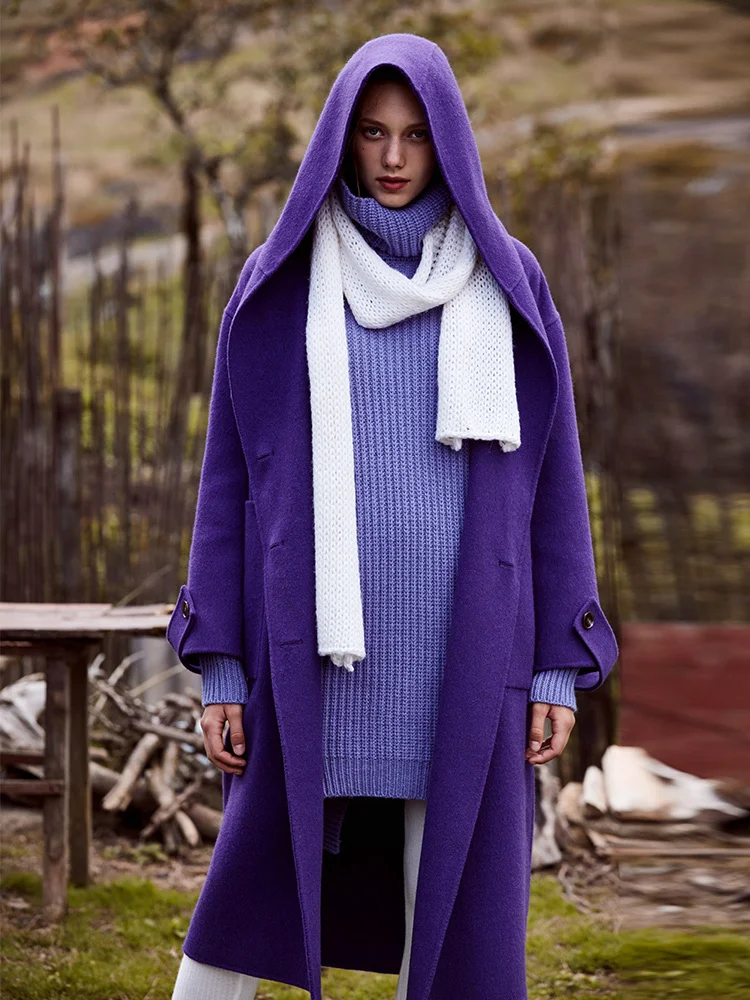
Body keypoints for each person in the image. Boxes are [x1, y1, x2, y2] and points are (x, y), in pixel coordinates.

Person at [167, 33, 619, 1000]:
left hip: (466, 659)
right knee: (235, 915)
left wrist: (557, 665)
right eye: (373, 133)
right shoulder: (280, 279)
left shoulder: (509, 279)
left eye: (417, 135)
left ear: (449, 141)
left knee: (447, 928)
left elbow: (551, 486)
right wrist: (220, 664)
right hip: (305, 655)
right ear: (341, 138)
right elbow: (228, 486)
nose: (395, 157)